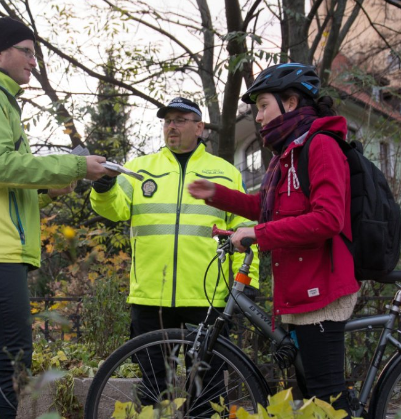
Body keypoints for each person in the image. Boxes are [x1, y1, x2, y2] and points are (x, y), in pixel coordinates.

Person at [0, 17, 116, 418]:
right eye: (27, 51)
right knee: (13, 360)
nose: (34, 62)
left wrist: (42, 186)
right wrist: (71, 168)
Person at [188, 63, 360, 412]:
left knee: (328, 401)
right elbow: (267, 209)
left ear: (291, 102)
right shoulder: (286, 154)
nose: (260, 117)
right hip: (301, 289)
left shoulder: (321, 145)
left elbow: (327, 219)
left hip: (322, 289)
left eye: (263, 105)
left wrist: (259, 234)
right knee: (314, 398)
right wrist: (216, 194)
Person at [90, 97, 259, 416]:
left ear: (200, 127)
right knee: (153, 388)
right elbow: (113, 210)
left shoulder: (223, 172)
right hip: (151, 295)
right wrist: (103, 188)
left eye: (181, 119)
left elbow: (246, 229)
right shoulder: (140, 168)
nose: (172, 125)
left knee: (207, 387)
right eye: (168, 120)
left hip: (207, 295)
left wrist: (246, 282)